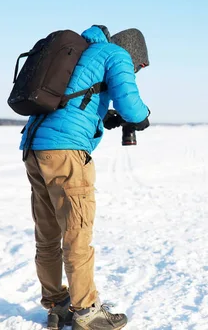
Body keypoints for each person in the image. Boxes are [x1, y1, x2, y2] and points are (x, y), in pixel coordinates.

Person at [20, 25, 151, 330]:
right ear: (135, 54)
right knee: (77, 230)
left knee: (48, 232)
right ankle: (86, 311)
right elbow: (130, 102)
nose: (135, 70)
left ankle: (56, 304)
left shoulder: (82, 54)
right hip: (66, 152)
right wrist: (141, 116)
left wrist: (103, 117)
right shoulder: (115, 54)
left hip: (34, 147)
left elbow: (74, 99)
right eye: (138, 67)